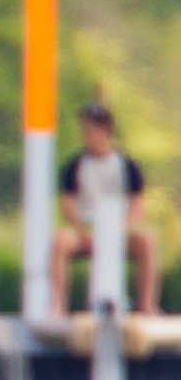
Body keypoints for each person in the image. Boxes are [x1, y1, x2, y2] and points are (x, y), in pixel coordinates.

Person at [50, 104, 160, 315]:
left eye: (90, 130)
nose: (86, 135)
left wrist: (121, 229)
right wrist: (83, 232)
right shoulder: (75, 165)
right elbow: (67, 204)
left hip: (118, 229)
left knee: (147, 241)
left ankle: (147, 305)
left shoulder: (127, 165)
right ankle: (57, 306)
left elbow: (137, 204)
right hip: (86, 230)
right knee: (61, 241)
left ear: (105, 132)